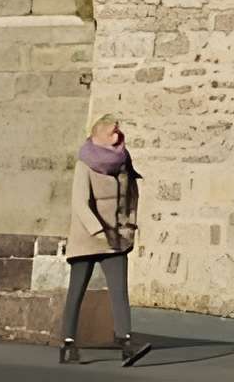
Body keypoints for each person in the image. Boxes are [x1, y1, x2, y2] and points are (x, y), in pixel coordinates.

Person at [59, 115, 148, 366]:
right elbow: (79, 203)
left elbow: (132, 196)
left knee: (119, 291)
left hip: (116, 239)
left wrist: (129, 226)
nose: (118, 136)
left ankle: (126, 342)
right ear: (98, 135)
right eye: (112, 132)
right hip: (88, 238)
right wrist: (98, 231)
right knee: (76, 291)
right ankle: (67, 344)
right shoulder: (85, 163)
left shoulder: (123, 161)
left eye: (119, 132)